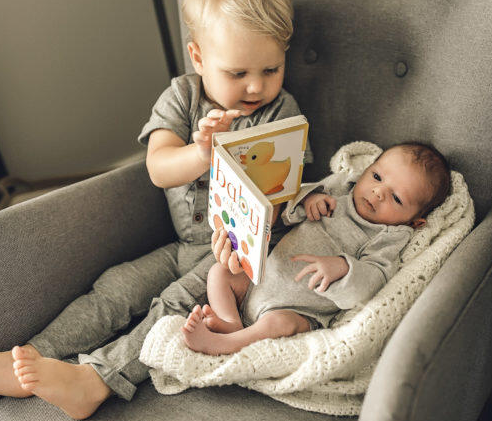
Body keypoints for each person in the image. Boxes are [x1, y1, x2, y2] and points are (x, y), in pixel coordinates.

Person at [0, 0, 310, 418]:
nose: (256, 87)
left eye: (271, 70)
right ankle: (35, 355)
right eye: (238, 73)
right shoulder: (183, 97)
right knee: (117, 288)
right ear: (198, 56)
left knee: (171, 306)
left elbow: (284, 197)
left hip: (231, 263)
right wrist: (200, 154)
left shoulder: (282, 114)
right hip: (181, 244)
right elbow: (157, 168)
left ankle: (96, 380)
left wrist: (254, 224)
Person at [181, 143, 450, 356]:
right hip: (259, 282)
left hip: (297, 309)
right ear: (367, 170)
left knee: (281, 325)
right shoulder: (339, 187)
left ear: (415, 221)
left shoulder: (389, 235)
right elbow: (287, 210)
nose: (378, 192)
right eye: (377, 176)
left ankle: (225, 345)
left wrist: (344, 267)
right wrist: (309, 198)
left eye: (396, 197)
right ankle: (231, 323)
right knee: (220, 273)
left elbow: (375, 279)